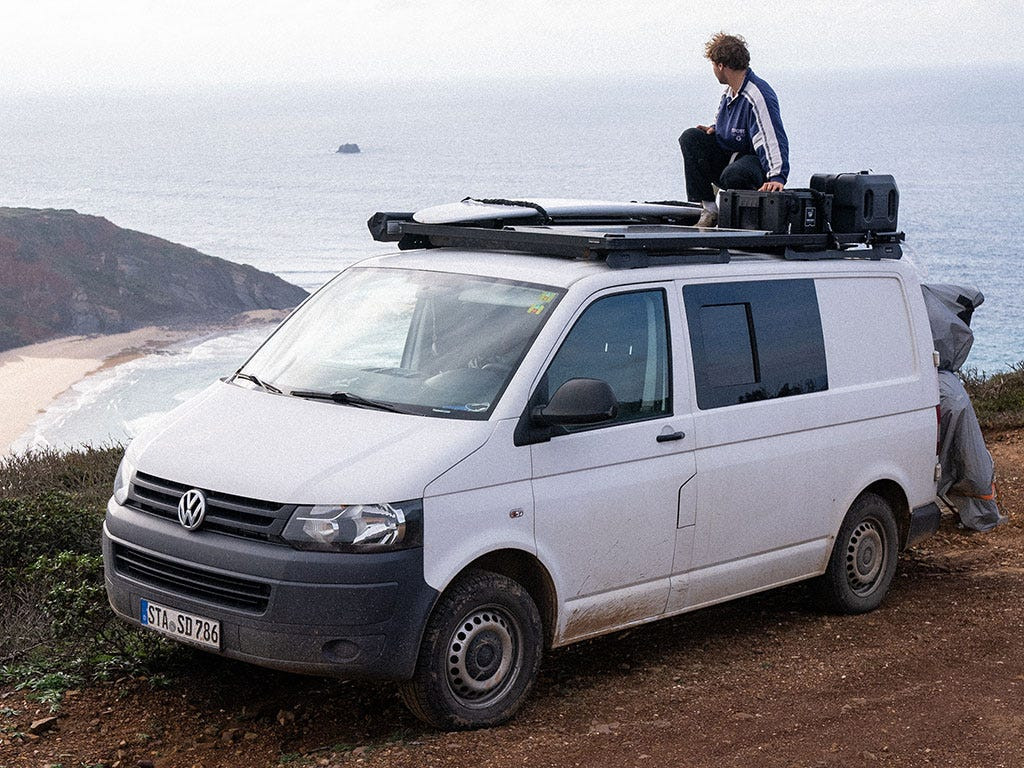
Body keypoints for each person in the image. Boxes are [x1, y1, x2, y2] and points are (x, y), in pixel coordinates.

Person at [679, 33, 790, 227]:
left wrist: (777, 176)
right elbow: (727, 123)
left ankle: (744, 219)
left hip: (754, 164)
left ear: (721, 65)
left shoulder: (757, 95)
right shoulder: (729, 93)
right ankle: (709, 209)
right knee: (690, 137)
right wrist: (715, 129)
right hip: (731, 156)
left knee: (733, 175)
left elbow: (772, 137)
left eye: (713, 65)